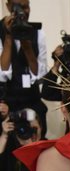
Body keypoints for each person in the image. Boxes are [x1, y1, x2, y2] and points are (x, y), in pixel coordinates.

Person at [0, 0, 47, 129]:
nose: (23, 12)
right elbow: (2, 74)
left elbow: (39, 75)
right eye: (18, 7)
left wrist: (27, 46)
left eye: (26, 7)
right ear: (8, 6)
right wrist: (9, 37)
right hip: (8, 104)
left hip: (33, 101)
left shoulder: (38, 33)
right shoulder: (1, 32)